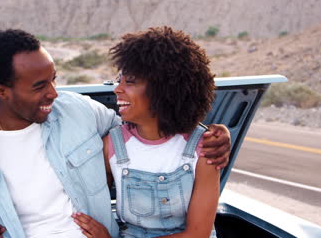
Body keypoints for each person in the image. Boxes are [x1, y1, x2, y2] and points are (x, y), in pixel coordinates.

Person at [0, 29, 231, 238]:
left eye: (54, 80)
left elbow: (149, 132)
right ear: (1, 92)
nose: (54, 93)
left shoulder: (77, 110)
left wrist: (214, 133)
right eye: (39, 86)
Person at [73, 26, 220, 238]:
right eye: (119, 80)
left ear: (164, 88)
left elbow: (197, 234)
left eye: (130, 81)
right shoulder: (111, 145)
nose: (117, 89)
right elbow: (86, 204)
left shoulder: (204, 149)